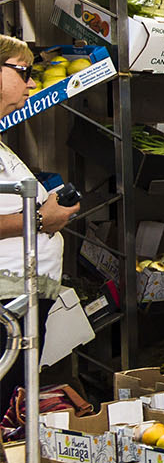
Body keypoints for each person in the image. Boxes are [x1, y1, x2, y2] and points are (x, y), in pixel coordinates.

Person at [0, 35, 80, 409]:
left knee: (11, 406)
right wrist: (40, 217)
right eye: (24, 72)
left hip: (19, 302)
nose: (32, 83)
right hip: (5, 307)